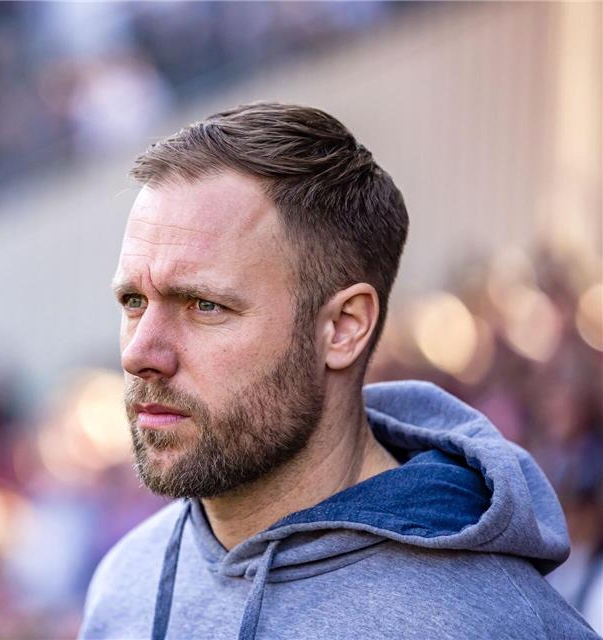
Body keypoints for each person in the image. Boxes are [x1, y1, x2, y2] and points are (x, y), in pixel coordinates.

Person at [79, 103, 599, 639]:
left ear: (344, 327)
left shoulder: (486, 623)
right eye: (133, 300)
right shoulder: (126, 585)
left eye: (205, 305)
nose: (139, 352)